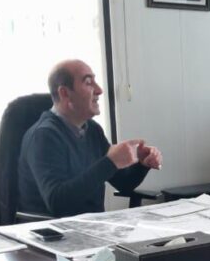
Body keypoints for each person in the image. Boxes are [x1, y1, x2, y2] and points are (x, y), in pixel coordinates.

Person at [17, 59, 163, 218]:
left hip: (93, 225)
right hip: (55, 230)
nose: (99, 90)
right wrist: (111, 162)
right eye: (88, 83)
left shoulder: (92, 130)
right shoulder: (44, 136)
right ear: (65, 93)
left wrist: (142, 164)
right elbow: (58, 203)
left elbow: (123, 184)